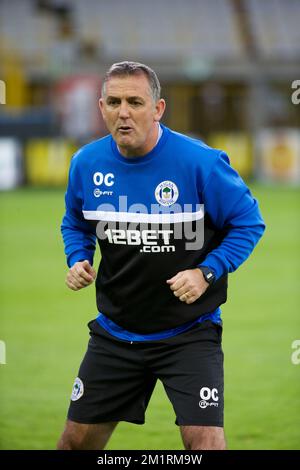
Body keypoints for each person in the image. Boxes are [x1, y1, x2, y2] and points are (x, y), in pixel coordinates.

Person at [57, 61, 265, 450]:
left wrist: (206, 271)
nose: (123, 112)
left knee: (205, 445)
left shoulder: (200, 162)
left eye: (135, 101)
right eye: (114, 102)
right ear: (100, 107)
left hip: (188, 334)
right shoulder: (86, 163)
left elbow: (249, 223)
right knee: (73, 444)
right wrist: (77, 257)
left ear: (158, 109)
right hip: (116, 334)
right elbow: (75, 221)